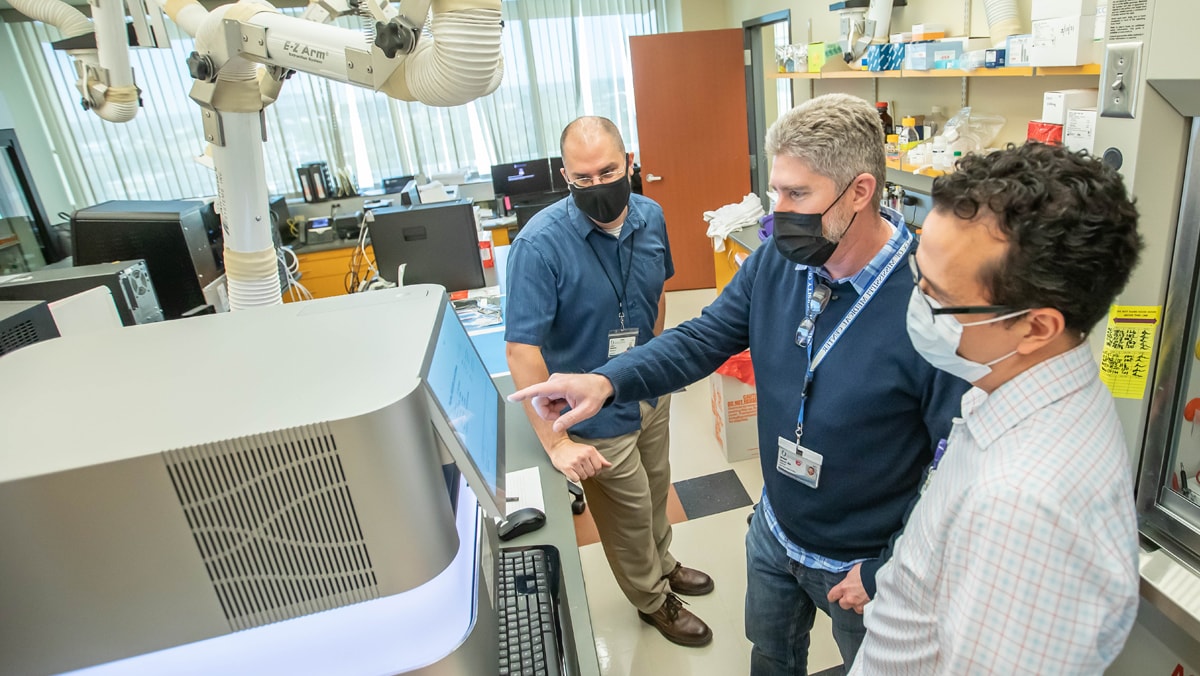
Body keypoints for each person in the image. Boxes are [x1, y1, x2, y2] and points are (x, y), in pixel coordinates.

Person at [509, 94, 969, 674]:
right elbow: (702, 338)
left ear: (860, 191)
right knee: (771, 654)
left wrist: (887, 569)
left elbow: (956, 468)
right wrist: (605, 382)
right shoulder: (778, 260)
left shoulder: (931, 305)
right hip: (776, 528)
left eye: (797, 195)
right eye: (776, 190)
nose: (777, 213)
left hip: (861, 557)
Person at [850, 142, 1144, 674]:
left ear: (1036, 327)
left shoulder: (1022, 509)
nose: (915, 303)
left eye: (936, 295)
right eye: (918, 274)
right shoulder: (1013, 382)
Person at [504, 116, 715, 648]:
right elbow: (521, 349)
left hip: (646, 389)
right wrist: (556, 440)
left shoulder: (651, 215)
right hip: (591, 412)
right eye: (583, 179)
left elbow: (657, 296)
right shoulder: (539, 245)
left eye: (608, 171)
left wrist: (657, 366)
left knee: (657, 487)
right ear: (564, 175)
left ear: (630, 162)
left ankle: (664, 563)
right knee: (626, 513)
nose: (598, 186)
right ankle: (651, 597)